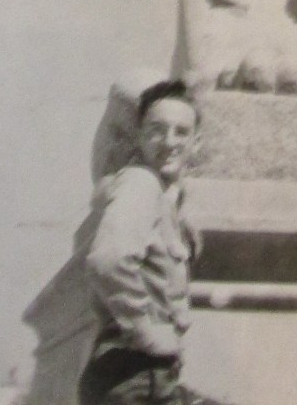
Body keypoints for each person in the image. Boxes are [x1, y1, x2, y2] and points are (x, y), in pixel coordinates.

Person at [78, 80, 200, 405]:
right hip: (133, 373)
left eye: (181, 132)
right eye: (156, 130)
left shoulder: (164, 195)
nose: (169, 142)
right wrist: (146, 331)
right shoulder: (140, 183)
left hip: (145, 375)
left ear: (196, 143)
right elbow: (108, 260)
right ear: (139, 137)